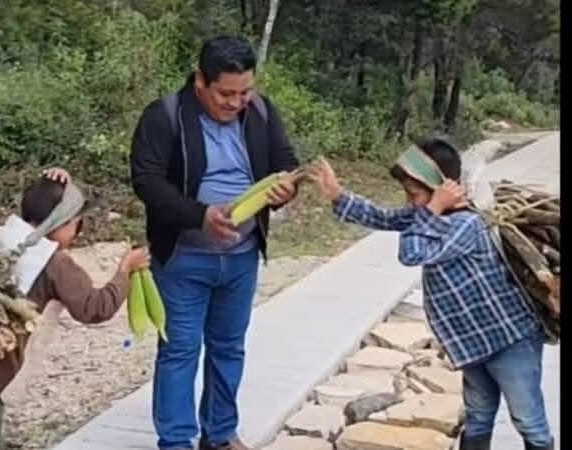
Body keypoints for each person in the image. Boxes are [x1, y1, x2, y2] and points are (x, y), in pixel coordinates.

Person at [308, 136, 554, 450]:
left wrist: (433, 207)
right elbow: (383, 218)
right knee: (478, 416)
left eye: (415, 194)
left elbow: (412, 253)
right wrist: (339, 196)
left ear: (442, 188)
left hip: (510, 341)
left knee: (528, 420)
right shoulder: (429, 216)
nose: (410, 203)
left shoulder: (466, 224)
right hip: (473, 344)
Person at [130, 36, 299, 450]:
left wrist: (286, 189)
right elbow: (147, 182)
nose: (236, 102)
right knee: (180, 352)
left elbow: (286, 162)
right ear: (201, 81)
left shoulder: (259, 112)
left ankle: (220, 435)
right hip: (183, 259)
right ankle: (175, 442)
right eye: (226, 93)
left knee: (229, 348)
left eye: (245, 91)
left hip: (241, 258)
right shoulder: (165, 116)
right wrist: (199, 216)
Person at [0, 167, 151, 450]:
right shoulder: (53, 263)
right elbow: (95, 308)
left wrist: (51, 187)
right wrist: (125, 268)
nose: (77, 231)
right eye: (77, 223)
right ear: (62, 222)